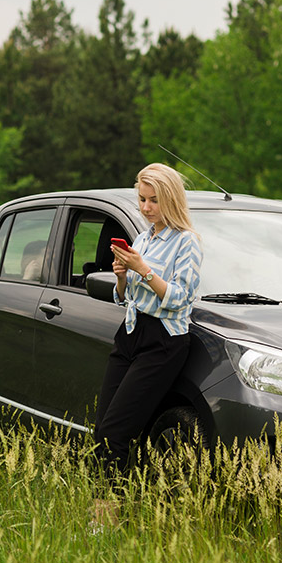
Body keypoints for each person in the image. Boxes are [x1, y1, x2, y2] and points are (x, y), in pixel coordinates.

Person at [93, 163, 203, 479]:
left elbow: (181, 299)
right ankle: (106, 512)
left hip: (162, 341)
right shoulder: (142, 239)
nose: (146, 207)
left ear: (171, 199)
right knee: (103, 429)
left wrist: (143, 269)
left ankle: (105, 518)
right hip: (130, 332)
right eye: (142, 199)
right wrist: (122, 278)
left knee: (115, 432)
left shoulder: (187, 242)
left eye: (154, 200)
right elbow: (125, 298)